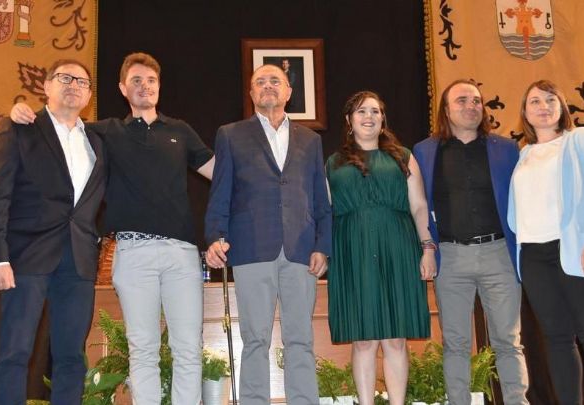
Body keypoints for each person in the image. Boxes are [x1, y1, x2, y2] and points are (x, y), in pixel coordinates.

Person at [10, 52, 215, 405]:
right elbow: (58, 126)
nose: (144, 86)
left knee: (188, 347)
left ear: (159, 86)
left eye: (151, 80)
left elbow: (221, 175)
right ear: (122, 88)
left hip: (181, 255)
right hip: (132, 254)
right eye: (136, 80)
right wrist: (20, 112)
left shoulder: (180, 131)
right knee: (143, 349)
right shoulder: (105, 132)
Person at [0, 59, 106, 404]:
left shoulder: (97, 140)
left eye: (82, 81)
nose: (74, 85)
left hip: (78, 261)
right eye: (65, 78)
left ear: (89, 95)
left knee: (71, 357)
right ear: (46, 86)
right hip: (27, 256)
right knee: (14, 352)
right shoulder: (20, 127)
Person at [204, 64, 331, 405]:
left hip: (301, 250)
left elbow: (320, 199)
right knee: (255, 338)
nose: (268, 85)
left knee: (300, 338)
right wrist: (215, 235)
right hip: (250, 248)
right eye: (260, 81)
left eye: (276, 81)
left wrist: (323, 245)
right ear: (251, 93)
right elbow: (220, 192)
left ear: (289, 92)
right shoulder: (230, 135)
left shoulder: (311, 140)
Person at [412, 79, 529, 405]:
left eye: (476, 100)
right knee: (456, 344)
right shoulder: (424, 151)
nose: (471, 106)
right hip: (450, 257)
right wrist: (427, 247)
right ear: (446, 110)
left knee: (508, 341)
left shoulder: (506, 149)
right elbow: (418, 204)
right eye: (462, 100)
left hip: (499, 254)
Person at [508, 79, 584, 405]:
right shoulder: (524, 153)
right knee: (556, 338)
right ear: (525, 112)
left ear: (562, 106)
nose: (543, 107)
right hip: (534, 255)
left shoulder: (582, 139)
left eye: (550, 100)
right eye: (535, 101)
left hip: (576, 248)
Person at [326, 91, 435, 405]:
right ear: (349, 120)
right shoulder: (333, 162)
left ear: (383, 119)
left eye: (375, 111)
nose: (369, 117)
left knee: (395, 339)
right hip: (353, 251)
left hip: (397, 248)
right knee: (363, 340)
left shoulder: (403, 156)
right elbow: (324, 212)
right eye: (361, 111)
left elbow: (419, 205)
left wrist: (427, 247)